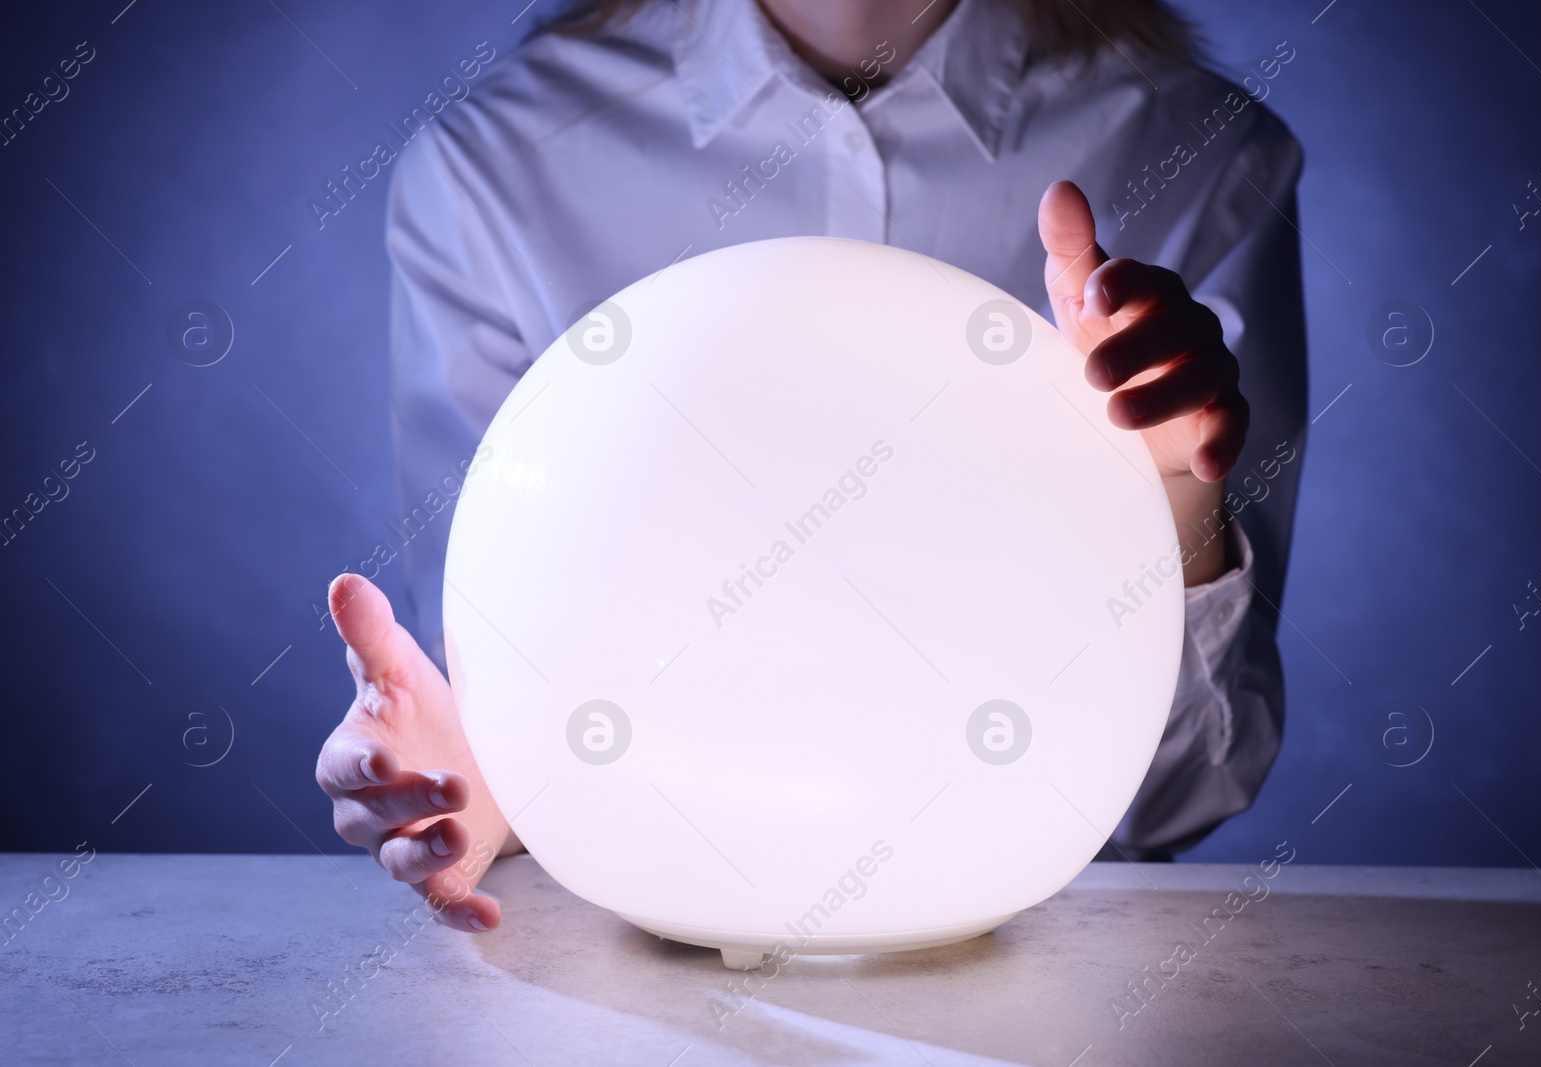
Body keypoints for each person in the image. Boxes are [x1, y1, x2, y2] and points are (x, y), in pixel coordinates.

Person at [316, 0, 1306, 933]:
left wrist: (1178, 493)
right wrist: (481, 782)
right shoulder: (494, 167)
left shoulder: (1200, 154)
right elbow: (506, 707)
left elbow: (1178, 794)